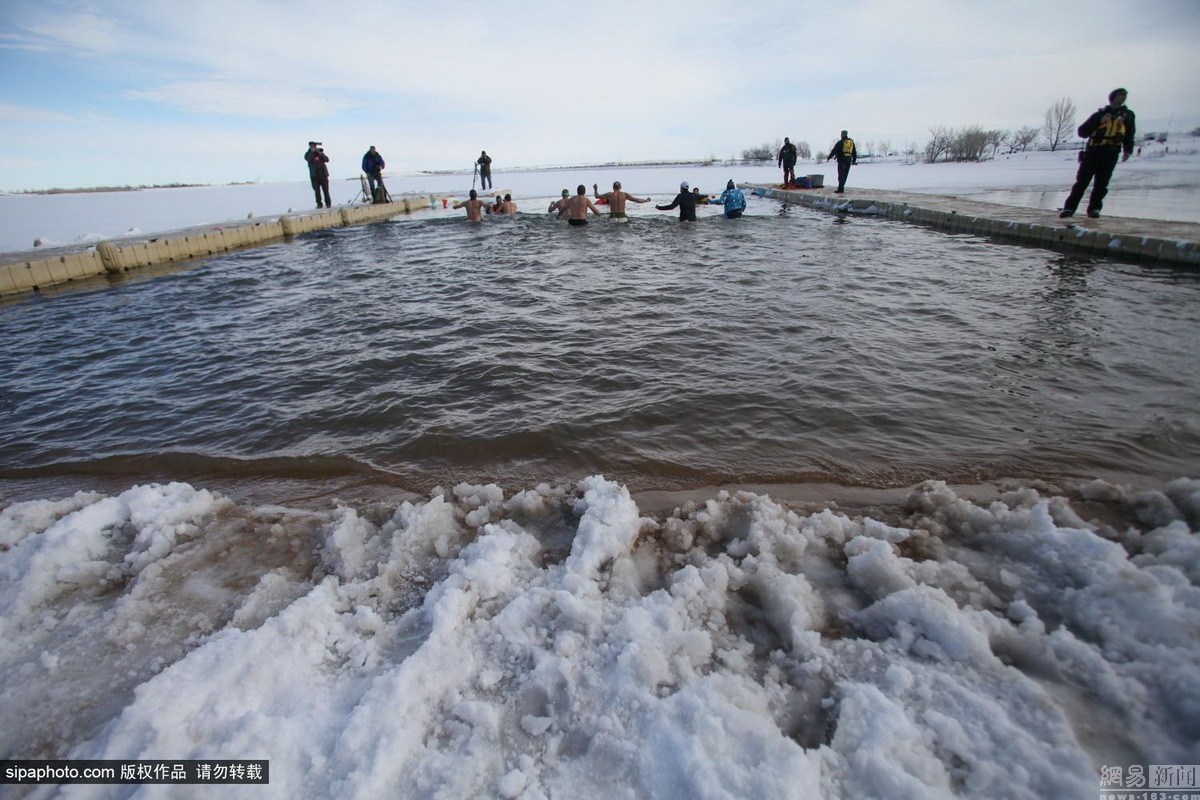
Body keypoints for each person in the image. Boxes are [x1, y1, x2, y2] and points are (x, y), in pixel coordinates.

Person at [1059, 88, 1136, 219]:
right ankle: (1069, 208)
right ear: (1113, 97)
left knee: (1101, 184)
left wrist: (1128, 149)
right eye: (1121, 94)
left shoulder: (1127, 116)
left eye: (1125, 95)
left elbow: (1130, 133)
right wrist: (1099, 122)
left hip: (1111, 153)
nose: (1123, 97)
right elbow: (1082, 132)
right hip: (1093, 153)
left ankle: (1094, 209)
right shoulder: (1099, 115)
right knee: (1081, 182)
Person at [305, 141, 332, 208]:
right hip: (314, 176)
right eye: (312, 146)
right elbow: (308, 159)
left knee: (326, 190)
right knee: (317, 191)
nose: (313, 147)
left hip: (323, 174)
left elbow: (327, 159)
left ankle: (328, 203)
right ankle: (319, 204)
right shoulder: (307, 154)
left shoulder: (319, 152)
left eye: (314, 146)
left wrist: (320, 153)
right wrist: (312, 152)